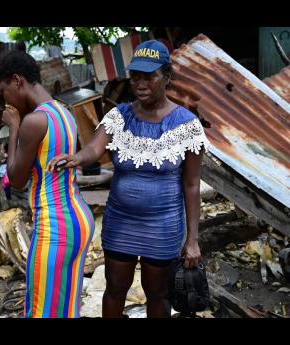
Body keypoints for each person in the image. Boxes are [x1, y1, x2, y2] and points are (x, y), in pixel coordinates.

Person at [47, 40, 210, 318]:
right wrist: (77, 158)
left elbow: (192, 185)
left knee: (157, 294)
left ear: (167, 78)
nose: (140, 83)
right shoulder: (119, 116)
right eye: (135, 76)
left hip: (163, 227)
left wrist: (192, 240)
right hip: (121, 222)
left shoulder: (186, 125)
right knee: (115, 289)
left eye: (150, 76)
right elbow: (94, 149)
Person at [0, 49, 94, 318]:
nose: (5, 101)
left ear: (17, 81)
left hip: (55, 228)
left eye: (3, 92)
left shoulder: (34, 122)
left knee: (40, 310)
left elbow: (16, 179)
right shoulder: (64, 112)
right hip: (79, 220)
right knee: (65, 308)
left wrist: (14, 126)